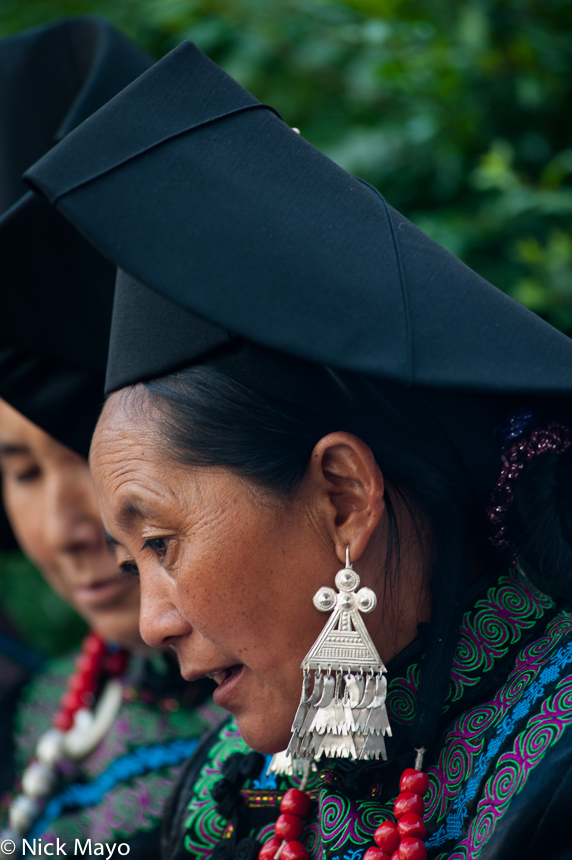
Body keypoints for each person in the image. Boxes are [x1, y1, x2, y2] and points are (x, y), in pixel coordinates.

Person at [25, 41, 572, 860]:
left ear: (344, 498)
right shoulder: (229, 795)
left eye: (163, 543)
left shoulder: (553, 764)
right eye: (135, 563)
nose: (152, 622)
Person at [0, 24, 221, 858]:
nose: (68, 525)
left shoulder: (305, 723)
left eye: (86, 459)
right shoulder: (35, 720)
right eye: (19, 469)